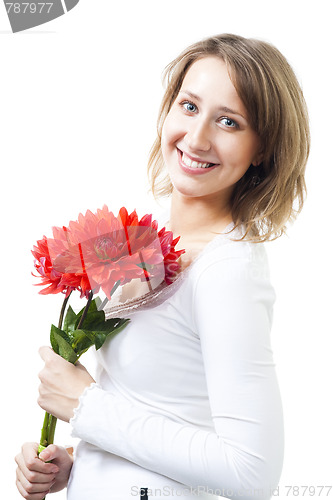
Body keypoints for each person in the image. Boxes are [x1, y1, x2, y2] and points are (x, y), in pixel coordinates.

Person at [15, 33, 310, 500]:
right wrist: (80, 463)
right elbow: (160, 412)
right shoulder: (144, 249)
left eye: (229, 122)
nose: (196, 138)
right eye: (189, 107)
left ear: (263, 150)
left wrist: (87, 407)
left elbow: (252, 474)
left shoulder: (226, 269)